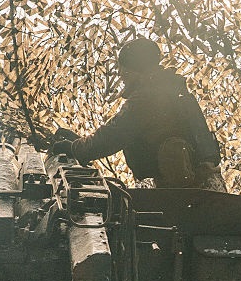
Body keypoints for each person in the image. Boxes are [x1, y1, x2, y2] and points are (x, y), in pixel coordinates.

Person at [52, 37, 226, 191]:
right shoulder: (173, 89)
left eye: (124, 70)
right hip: (208, 185)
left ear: (136, 70)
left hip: (186, 192)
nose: (121, 75)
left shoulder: (148, 97)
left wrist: (75, 148)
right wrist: (81, 142)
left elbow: (114, 135)